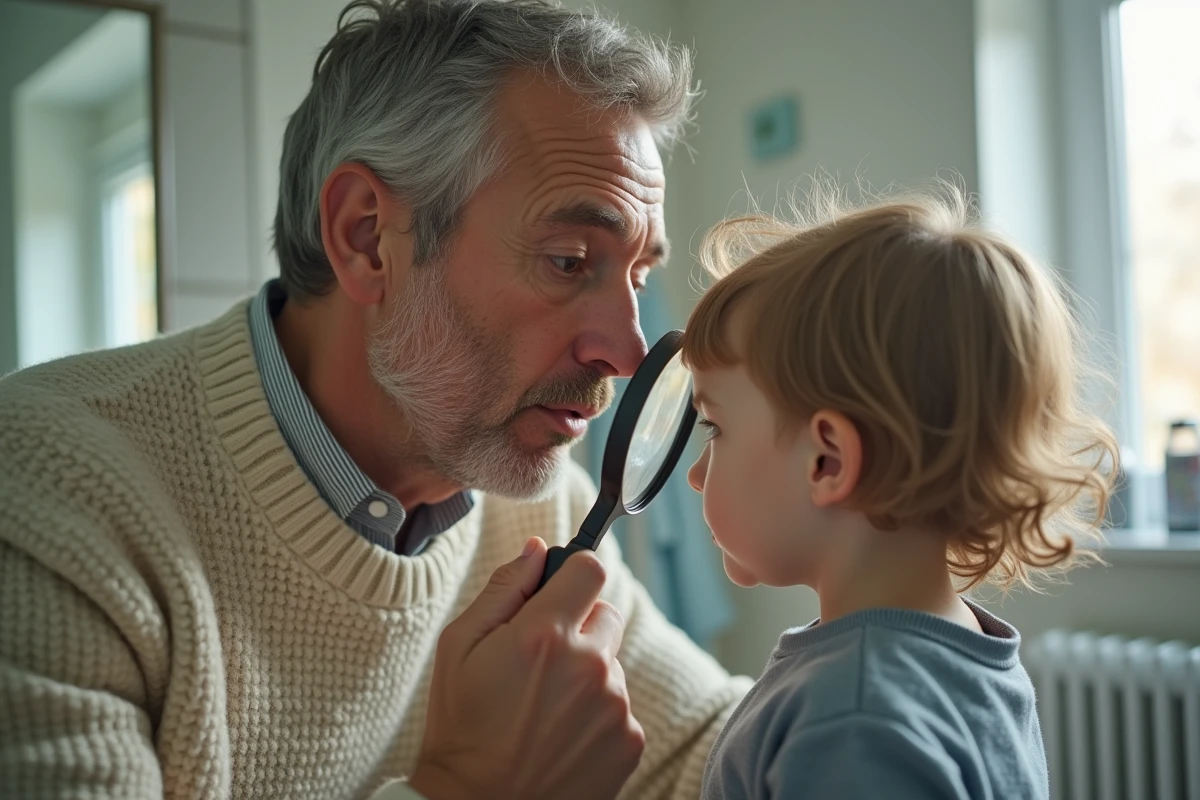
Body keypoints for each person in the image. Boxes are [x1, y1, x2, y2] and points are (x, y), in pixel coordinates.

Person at [0, 1, 752, 798]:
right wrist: (469, 786)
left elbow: (721, 749)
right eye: (569, 260)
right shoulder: (47, 496)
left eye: (638, 277)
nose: (630, 351)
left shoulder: (541, 516)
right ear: (366, 238)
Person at [680, 186, 1118, 799]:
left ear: (827, 460)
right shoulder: (964, 651)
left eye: (714, 427)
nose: (697, 474)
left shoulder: (854, 718)